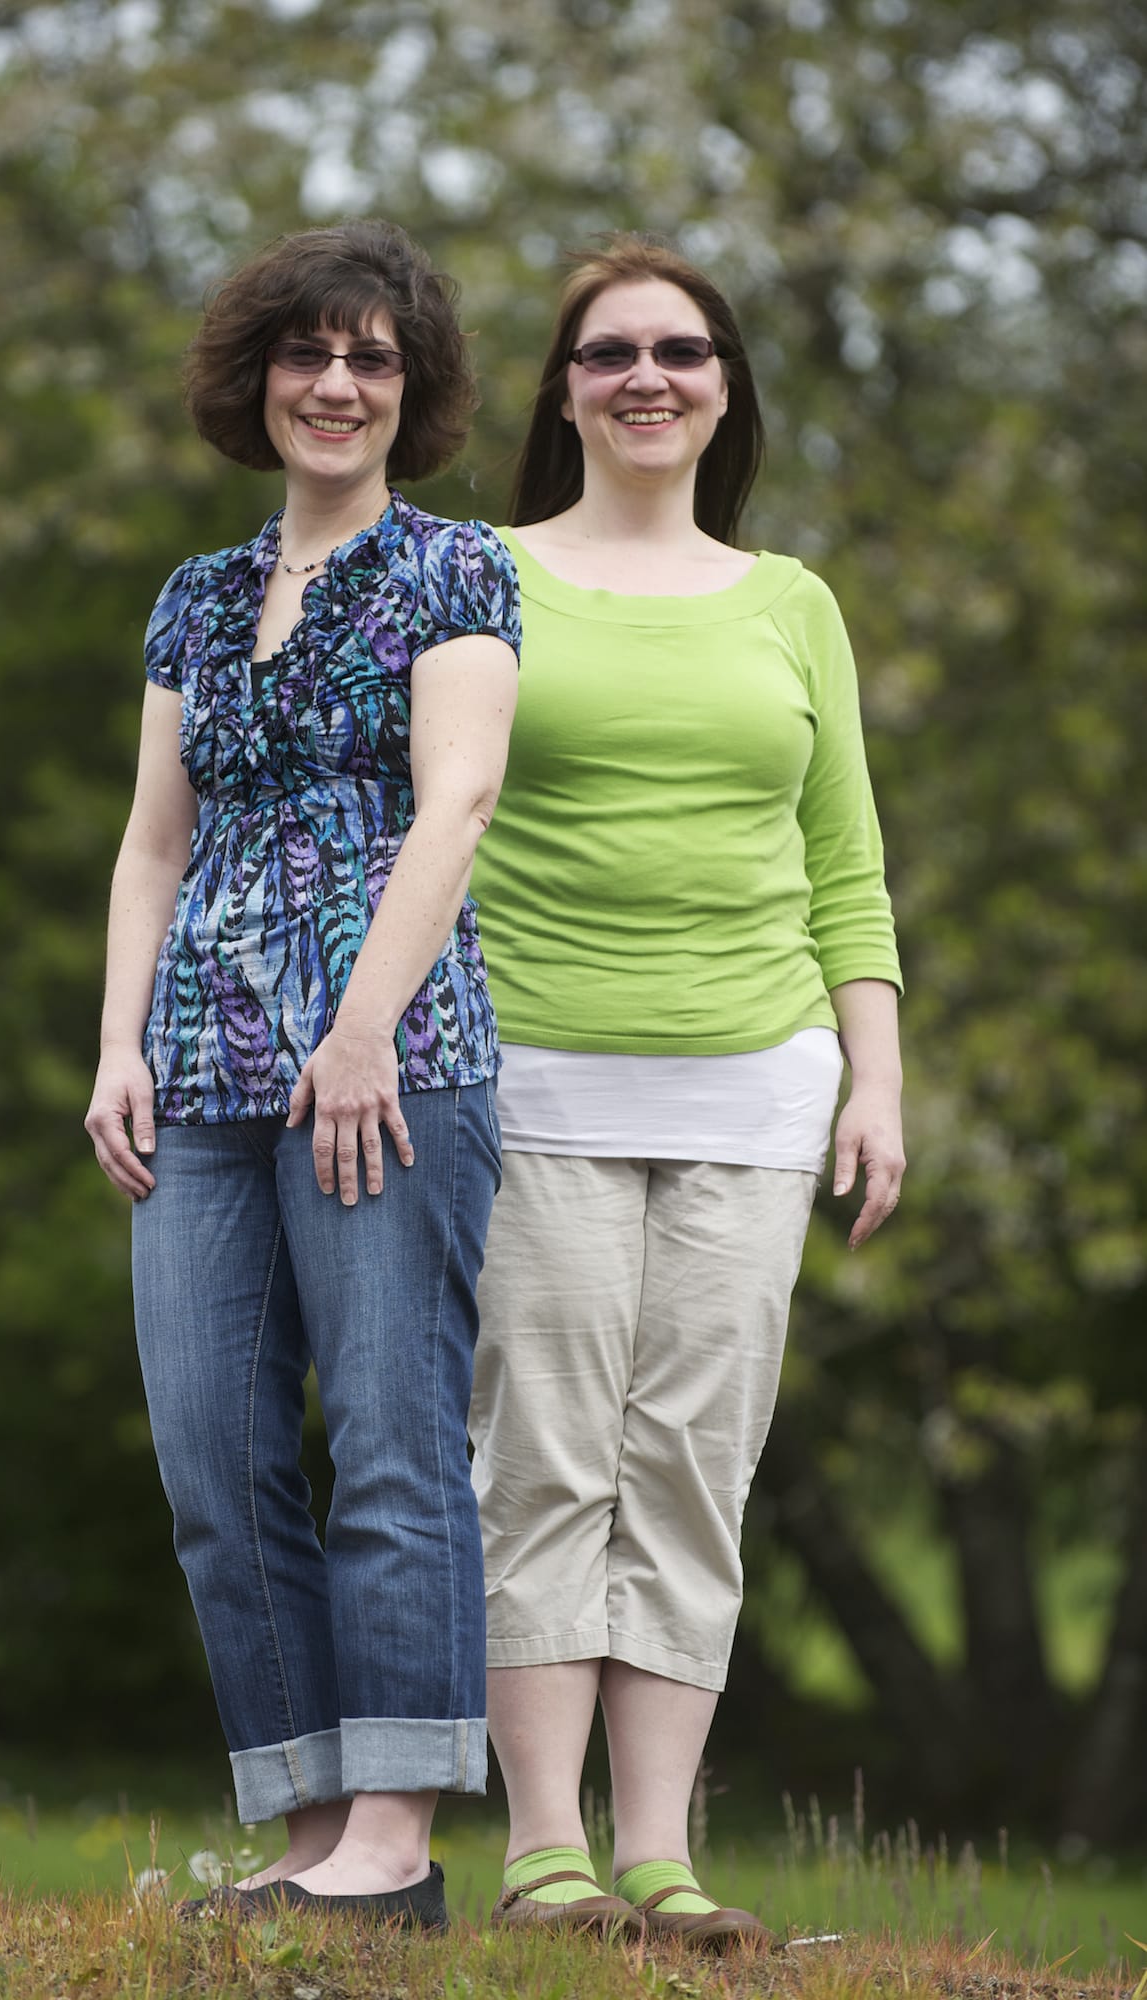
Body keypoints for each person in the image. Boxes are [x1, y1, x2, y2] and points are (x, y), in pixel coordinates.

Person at [466, 236, 905, 1945]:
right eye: (608, 352)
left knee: (691, 1472)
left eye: (682, 349)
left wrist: (873, 1083)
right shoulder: (482, 579)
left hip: (758, 1088)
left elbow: (845, 868)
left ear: (725, 387)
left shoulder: (791, 600)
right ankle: (543, 1856)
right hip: (532, 1078)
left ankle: (661, 1858)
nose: (647, 375)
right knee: (547, 1458)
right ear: (562, 389)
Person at [84, 219, 520, 1932]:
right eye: (306, 352)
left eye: (371, 360)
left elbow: (456, 803)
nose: (334, 384)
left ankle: (395, 1845)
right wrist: (116, 1040)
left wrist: (357, 1030)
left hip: (389, 1070)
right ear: (254, 375)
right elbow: (149, 844)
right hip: (196, 1066)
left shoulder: (451, 570)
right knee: (213, 1446)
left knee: (393, 1442)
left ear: (407, 395)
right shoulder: (195, 596)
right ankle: (305, 1817)